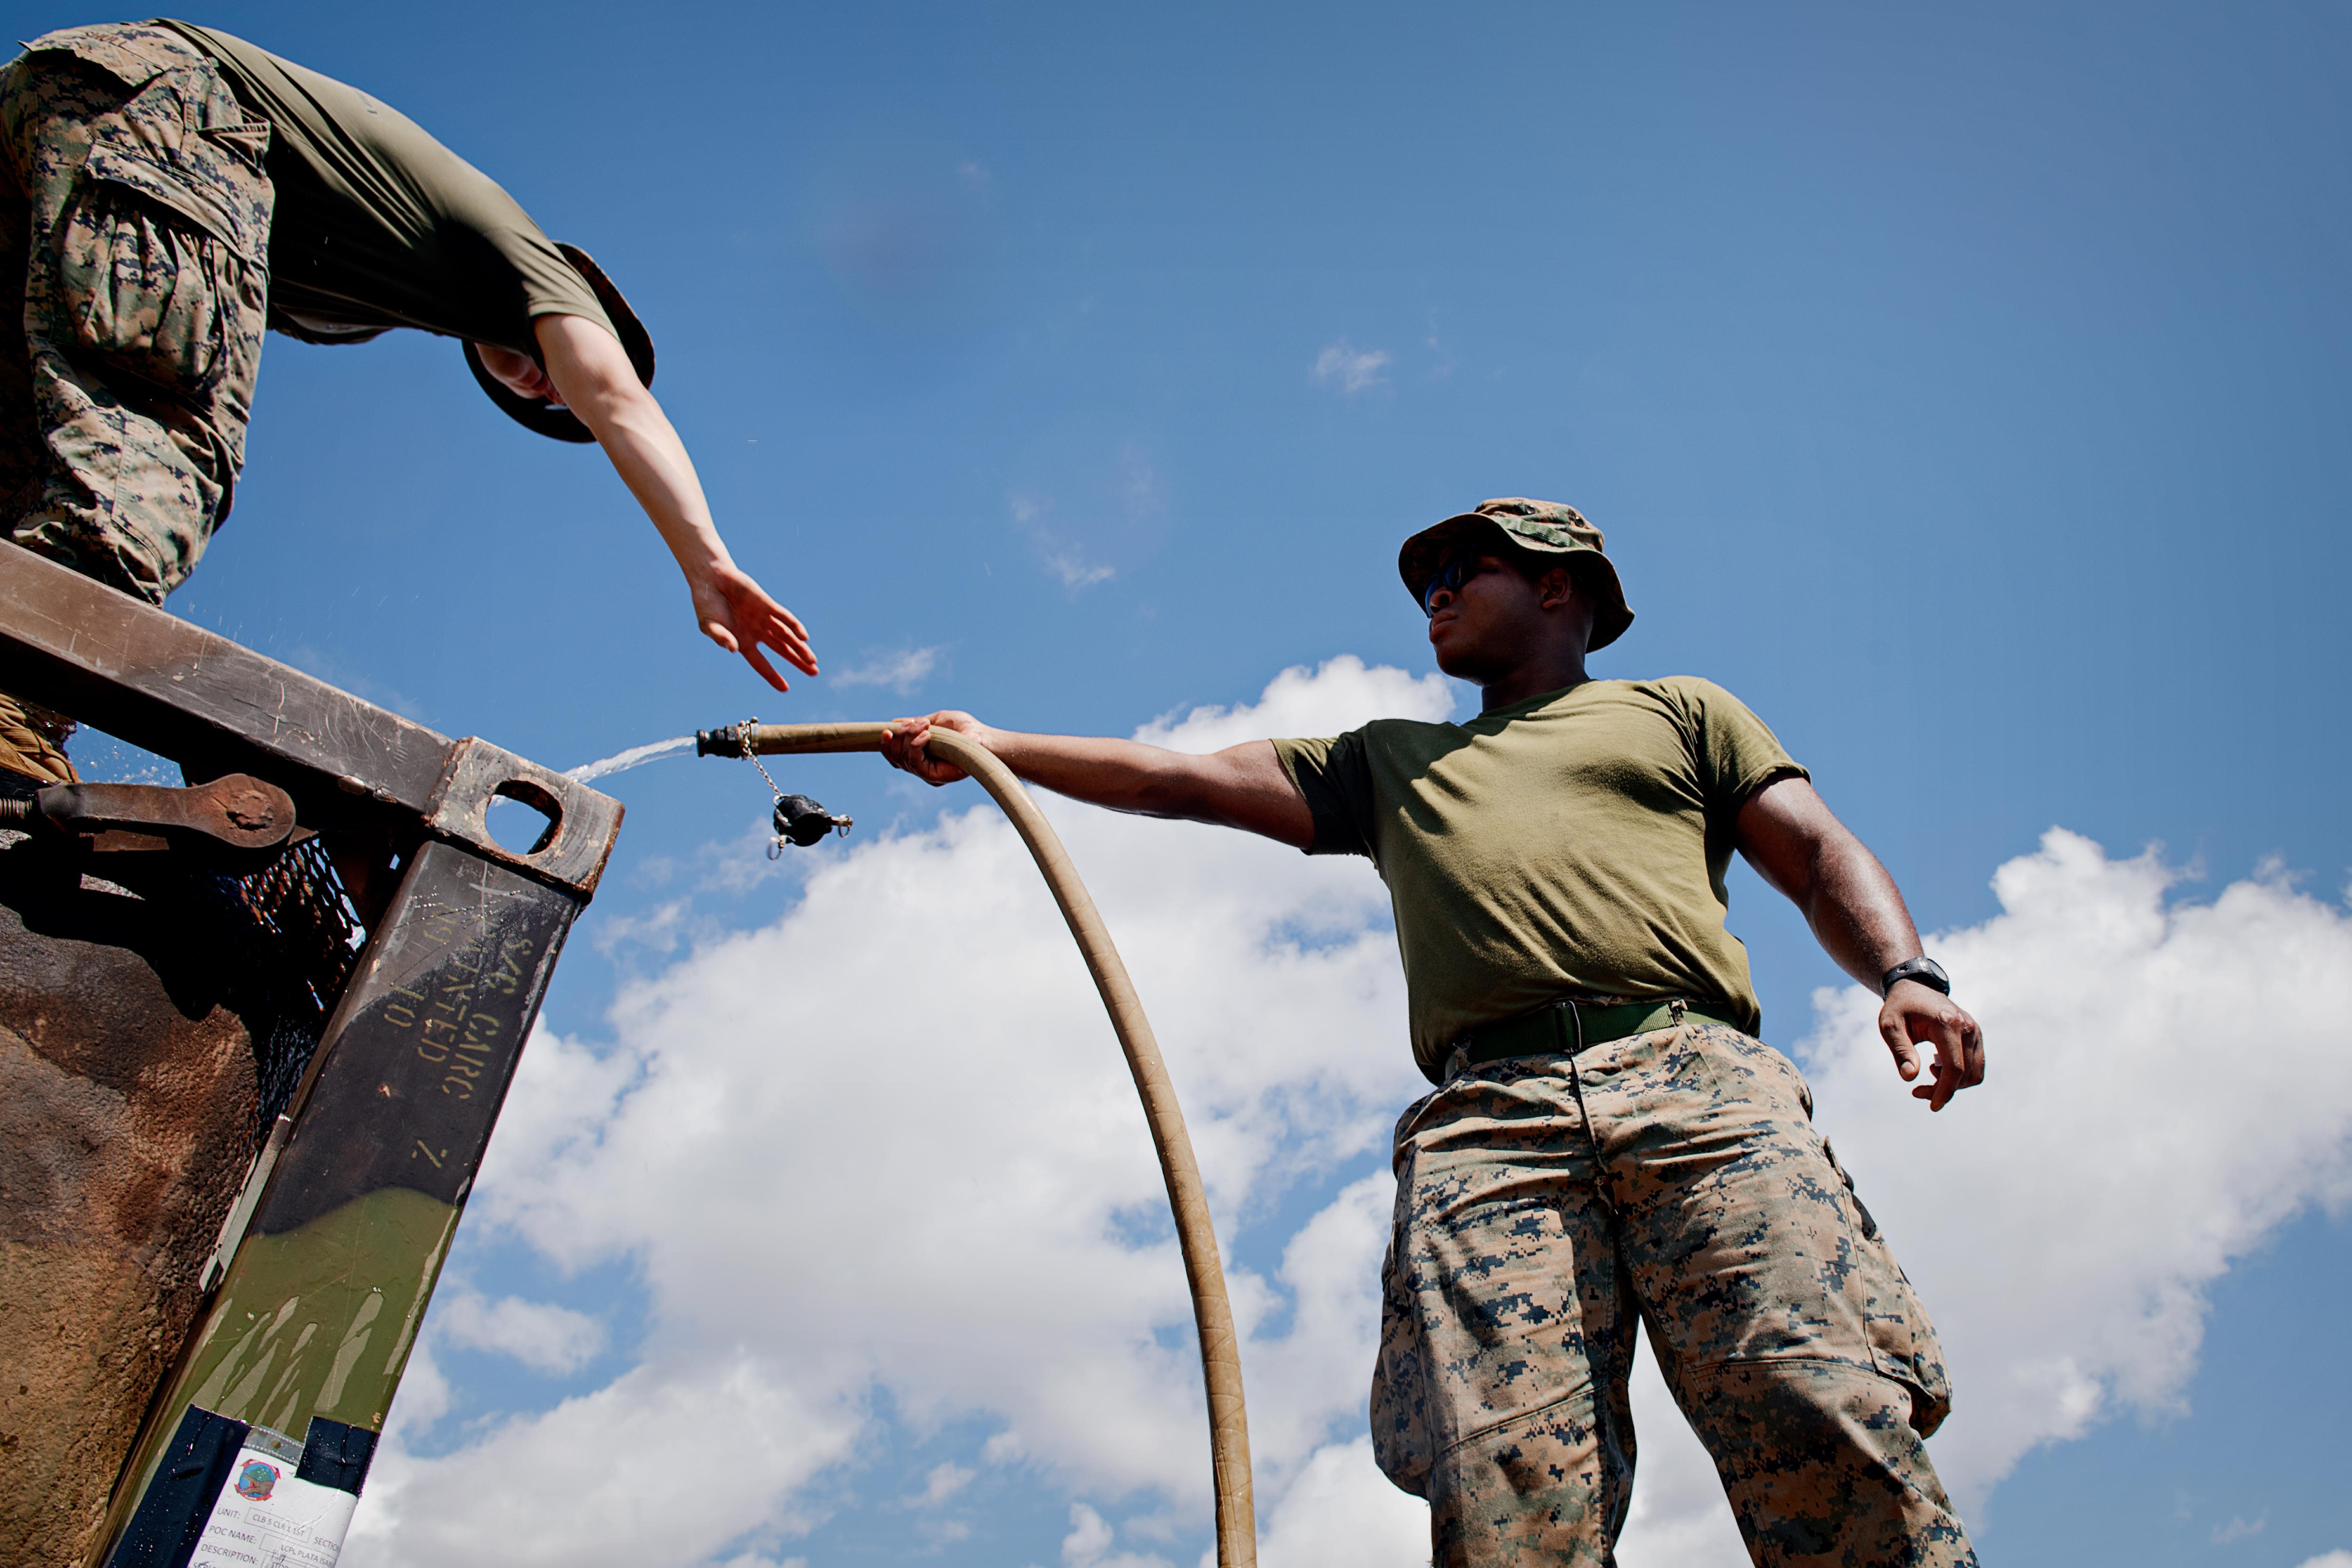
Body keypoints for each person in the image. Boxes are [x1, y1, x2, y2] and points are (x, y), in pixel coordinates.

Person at [881, 497, 1986, 1567]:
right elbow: (1188, 779)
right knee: (1504, 1486)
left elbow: (1812, 848)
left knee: (1818, 1409)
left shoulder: (1678, 710)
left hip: (1695, 1086)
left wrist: (1905, 970)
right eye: (1424, 583)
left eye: (1466, 571)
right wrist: (999, 745)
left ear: (1558, 586)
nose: (1434, 595)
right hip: (1490, 1123)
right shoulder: (1389, 763)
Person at [0, 20, 816, 783]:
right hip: (159, 106)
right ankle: (16, 709)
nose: (551, 391)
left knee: (28, 457)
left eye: (548, 404)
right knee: (156, 447)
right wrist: (708, 562)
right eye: (561, 377)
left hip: (51, 114)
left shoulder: (365, 291)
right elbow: (618, 402)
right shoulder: (528, 260)